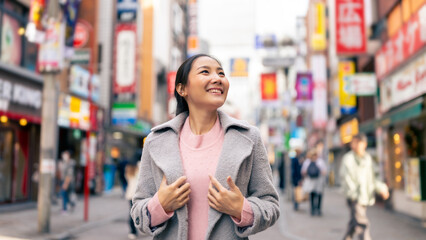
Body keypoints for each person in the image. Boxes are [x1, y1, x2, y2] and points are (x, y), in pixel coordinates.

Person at [131, 54, 280, 240]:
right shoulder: (157, 140)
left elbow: (270, 205)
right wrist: (160, 204)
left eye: (221, 73)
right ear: (182, 88)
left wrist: (241, 208)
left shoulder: (248, 137)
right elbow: (137, 211)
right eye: (205, 72)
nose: (217, 79)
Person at [340, 133, 389, 240]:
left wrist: (382, 188)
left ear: (364, 144)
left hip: (365, 196)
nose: (355, 145)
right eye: (353, 143)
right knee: (362, 224)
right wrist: (354, 195)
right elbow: (346, 179)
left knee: (354, 223)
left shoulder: (368, 159)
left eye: (358, 142)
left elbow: (374, 177)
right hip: (355, 198)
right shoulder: (348, 159)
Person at [301, 149, 327, 216]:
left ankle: (315, 210)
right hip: (314, 181)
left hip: (316, 181)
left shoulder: (308, 162)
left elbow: (303, 172)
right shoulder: (319, 162)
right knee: (315, 195)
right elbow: (324, 171)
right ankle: (315, 210)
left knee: (315, 195)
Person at [125, 161, 140, 240]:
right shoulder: (139, 166)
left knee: (131, 213)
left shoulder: (128, 169)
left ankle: (132, 231)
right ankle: (135, 230)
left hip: (130, 194)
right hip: (137, 194)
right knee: (138, 212)